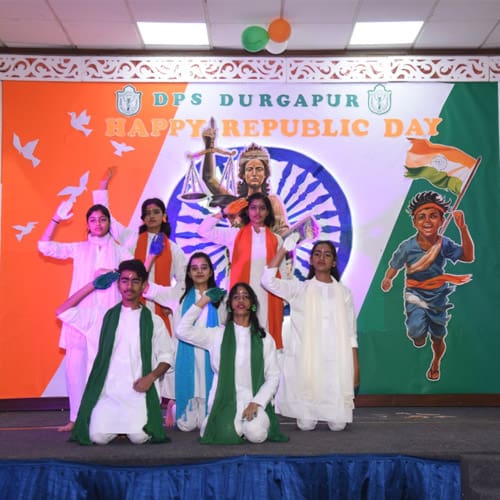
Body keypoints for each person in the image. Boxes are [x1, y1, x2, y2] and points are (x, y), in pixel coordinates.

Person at [93, 169, 187, 422]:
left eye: (156, 212)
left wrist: (168, 301)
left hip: (162, 310)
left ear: (164, 216)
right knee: (135, 354)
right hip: (133, 307)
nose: (152, 216)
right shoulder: (132, 239)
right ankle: (135, 404)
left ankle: (169, 404)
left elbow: (183, 284)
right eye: (147, 213)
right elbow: (109, 220)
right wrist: (102, 187)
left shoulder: (174, 249)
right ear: (143, 219)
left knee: (165, 354)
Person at [38, 199, 133, 432]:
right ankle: (76, 418)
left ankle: (109, 418)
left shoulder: (121, 251)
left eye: (102, 219)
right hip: (80, 315)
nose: (98, 224)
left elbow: (133, 277)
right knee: (76, 368)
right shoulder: (79, 248)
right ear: (87, 224)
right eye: (93, 220)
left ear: (109, 223)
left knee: (111, 369)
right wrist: (55, 219)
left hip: (109, 315)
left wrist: (114, 272)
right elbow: (44, 247)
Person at [57, 259, 175, 445]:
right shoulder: (101, 316)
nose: (129, 286)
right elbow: (62, 311)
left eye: (135, 281)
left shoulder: (153, 321)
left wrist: (151, 378)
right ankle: (114, 427)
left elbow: (167, 356)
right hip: (107, 394)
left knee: (139, 437)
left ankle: (128, 428)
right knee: (97, 438)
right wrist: (92, 286)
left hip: (138, 393)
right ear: (118, 284)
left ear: (143, 285)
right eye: (124, 280)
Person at [261, 238, 359, 431]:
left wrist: (355, 366)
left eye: (327, 255)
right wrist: (283, 251)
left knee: (338, 426)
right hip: (306, 361)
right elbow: (267, 281)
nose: (322, 258)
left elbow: (351, 334)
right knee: (305, 425)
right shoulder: (299, 289)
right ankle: (307, 410)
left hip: (335, 361)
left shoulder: (344, 293)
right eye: (317, 254)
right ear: (311, 260)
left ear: (334, 262)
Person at [177, 282, 288, 444]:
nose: (241, 300)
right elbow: (182, 330)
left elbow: (273, 376)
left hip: (254, 401)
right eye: (236, 297)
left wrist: (256, 402)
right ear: (229, 306)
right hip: (224, 402)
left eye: (245, 297)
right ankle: (234, 426)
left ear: (253, 304)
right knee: (220, 433)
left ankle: (249, 426)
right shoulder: (216, 335)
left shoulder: (264, 338)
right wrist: (204, 300)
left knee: (255, 433)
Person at [381, 190, 474, 381]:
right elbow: (395, 265)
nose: (427, 221)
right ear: (415, 222)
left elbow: (468, 256)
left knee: (438, 337)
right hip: (414, 294)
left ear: (441, 220)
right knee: (416, 333)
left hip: (438, 296)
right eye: (421, 217)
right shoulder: (407, 246)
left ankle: (436, 362)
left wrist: (462, 228)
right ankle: (419, 335)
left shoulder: (444, 244)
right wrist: (388, 278)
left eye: (433, 216)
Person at [144, 252, 223, 431]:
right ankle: (175, 405)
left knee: (205, 424)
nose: (199, 272)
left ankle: (204, 407)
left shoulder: (220, 297)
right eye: (194, 268)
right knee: (186, 426)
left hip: (209, 354)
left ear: (211, 272)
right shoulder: (178, 294)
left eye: (204, 268)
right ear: (188, 273)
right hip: (184, 353)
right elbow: (145, 287)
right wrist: (151, 257)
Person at [199, 192, 286, 349]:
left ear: (268, 212)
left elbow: (282, 274)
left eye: (262, 208)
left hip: (267, 299)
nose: (257, 212)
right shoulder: (234, 235)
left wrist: (282, 303)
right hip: (240, 298)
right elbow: (203, 230)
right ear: (247, 211)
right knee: (240, 346)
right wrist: (223, 213)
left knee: (265, 347)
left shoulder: (276, 240)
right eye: (253, 208)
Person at [201, 120, 288, 235]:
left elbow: (284, 233)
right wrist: (209, 146)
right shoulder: (235, 204)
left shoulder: (273, 201)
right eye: (250, 169)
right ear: (243, 174)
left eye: (259, 169)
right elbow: (209, 179)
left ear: (265, 174)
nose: (254, 173)